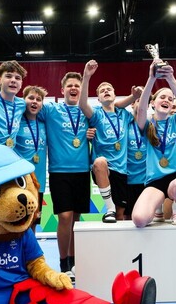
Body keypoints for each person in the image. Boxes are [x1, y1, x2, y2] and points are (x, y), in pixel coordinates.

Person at [37, 71, 92, 278]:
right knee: (65, 216)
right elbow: (28, 105)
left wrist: (92, 133)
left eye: (77, 85)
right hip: (59, 172)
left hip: (82, 171)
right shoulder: (51, 109)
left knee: (76, 218)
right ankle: (63, 263)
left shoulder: (87, 112)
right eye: (70, 85)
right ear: (62, 90)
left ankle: (74, 262)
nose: (73, 88)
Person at [131, 59, 176, 228]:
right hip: (156, 180)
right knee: (139, 219)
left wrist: (170, 78)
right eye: (162, 97)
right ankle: (157, 207)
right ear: (153, 103)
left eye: (170, 99)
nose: (167, 100)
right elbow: (141, 109)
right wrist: (151, 78)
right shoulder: (148, 125)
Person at [78, 61, 139, 222]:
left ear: (114, 94)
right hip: (104, 168)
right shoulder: (97, 114)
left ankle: (114, 217)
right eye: (102, 91)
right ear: (98, 99)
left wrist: (134, 96)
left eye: (109, 89)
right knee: (99, 162)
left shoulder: (124, 114)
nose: (106, 91)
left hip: (122, 170)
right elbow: (82, 105)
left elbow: (134, 109)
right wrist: (86, 77)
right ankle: (109, 208)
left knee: (121, 215)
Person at [14, 86, 48, 232]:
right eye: (31, 98)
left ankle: (31, 247)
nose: (35, 102)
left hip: (38, 182)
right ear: (23, 100)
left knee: (33, 220)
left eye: (38, 99)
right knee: (18, 221)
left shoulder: (44, 124)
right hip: (19, 181)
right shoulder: (16, 122)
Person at [125, 96, 147, 220]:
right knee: (127, 217)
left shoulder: (152, 124)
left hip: (146, 181)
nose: (142, 103)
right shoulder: (125, 123)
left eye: (145, 101)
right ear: (132, 104)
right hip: (127, 179)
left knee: (145, 217)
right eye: (139, 100)